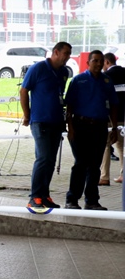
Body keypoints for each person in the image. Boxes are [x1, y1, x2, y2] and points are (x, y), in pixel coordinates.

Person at [62, 50, 118, 210]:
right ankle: (72, 200)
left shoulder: (107, 81)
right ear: (88, 63)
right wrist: (70, 128)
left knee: (95, 165)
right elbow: (69, 106)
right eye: (95, 61)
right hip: (80, 126)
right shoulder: (78, 80)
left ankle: (92, 200)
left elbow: (114, 105)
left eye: (101, 61)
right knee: (80, 163)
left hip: (99, 127)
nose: (99, 64)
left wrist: (114, 128)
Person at [20, 41, 73, 209]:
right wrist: (27, 114)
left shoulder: (64, 72)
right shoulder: (38, 69)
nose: (68, 57)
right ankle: (34, 196)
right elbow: (24, 91)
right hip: (40, 121)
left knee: (50, 160)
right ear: (56, 52)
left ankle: (44, 195)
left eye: (69, 53)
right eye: (65, 53)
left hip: (56, 121)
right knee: (43, 158)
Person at [100, 52, 124, 186]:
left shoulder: (106, 76)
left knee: (106, 145)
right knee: (122, 146)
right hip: (124, 116)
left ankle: (104, 176)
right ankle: (123, 174)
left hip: (111, 117)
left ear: (107, 62)